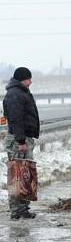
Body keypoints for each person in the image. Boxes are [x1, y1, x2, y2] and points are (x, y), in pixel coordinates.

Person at [3, 67, 40, 219]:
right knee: (17, 174)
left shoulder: (20, 92)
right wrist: (21, 141)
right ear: (22, 79)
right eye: (28, 79)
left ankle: (23, 207)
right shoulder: (15, 95)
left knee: (24, 174)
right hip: (18, 140)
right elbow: (16, 119)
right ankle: (17, 210)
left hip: (23, 138)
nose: (31, 82)